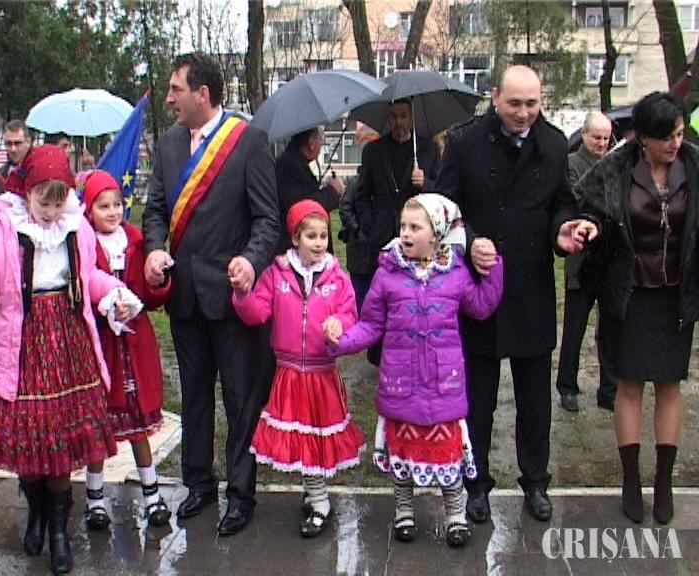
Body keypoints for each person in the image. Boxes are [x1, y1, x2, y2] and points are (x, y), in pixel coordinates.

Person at [437, 65, 597, 523]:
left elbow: (562, 202)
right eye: (515, 103)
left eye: (532, 103)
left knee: (534, 401)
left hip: (530, 287)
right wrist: (468, 241)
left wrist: (563, 229)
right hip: (479, 288)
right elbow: (442, 206)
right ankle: (475, 484)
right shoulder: (464, 142)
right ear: (495, 97)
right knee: (478, 399)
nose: (524, 113)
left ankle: (536, 481)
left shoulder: (553, 143)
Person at [0, 145, 136, 574]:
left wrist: (115, 293)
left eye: (57, 201)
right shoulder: (3, 225)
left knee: (62, 443)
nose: (50, 213)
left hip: (68, 340)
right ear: (26, 192)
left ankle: (60, 533)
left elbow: (90, 276)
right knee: (29, 441)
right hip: (22, 341)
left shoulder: (76, 225)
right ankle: (38, 511)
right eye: (42, 202)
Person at [142, 52, 279, 536]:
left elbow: (268, 219)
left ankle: (241, 495)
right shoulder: (168, 144)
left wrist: (252, 260)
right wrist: (154, 249)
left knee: (241, 399)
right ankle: (199, 484)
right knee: (195, 396)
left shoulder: (248, 141)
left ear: (203, 93)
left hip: (233, 297)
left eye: (176, 89)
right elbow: (155, 210)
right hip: (185, 296)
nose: (169, 98)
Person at [329, 194, 503, 547]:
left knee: (448, 453)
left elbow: (481, 306)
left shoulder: (455, 272)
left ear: (436, 234)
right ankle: (404, 511)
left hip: (443, 384)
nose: (405, 233)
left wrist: (495, 266)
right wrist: (339, 341)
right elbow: (371, 324)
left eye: (415, 227)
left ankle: (455, 514)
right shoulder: (387, 275)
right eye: (403, 226)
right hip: (401, 383)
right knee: (403, 453)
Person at [575, 92, 699, 525]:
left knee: (669, 384)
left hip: (675, 295)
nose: (675, 144)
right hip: (629, 292)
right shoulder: (616, 167)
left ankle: (663, 481)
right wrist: (592, 226)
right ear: (643, 137)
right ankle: (631, 480)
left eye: (680, 134)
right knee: (628, 384)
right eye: (666, 137)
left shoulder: (694, 166)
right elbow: (589, 204)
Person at [232, 199, 365, 538]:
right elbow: (258, 312)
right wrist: (243, 295)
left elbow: (350, 313)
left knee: (316, 439)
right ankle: (315, 495)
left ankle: (319, 502)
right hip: (290, 372)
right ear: (295, 238)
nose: (319, 243)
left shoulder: (338, 277)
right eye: (311, 236)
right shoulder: (276, 275)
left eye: (323, 236)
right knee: (304, 438)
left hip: (322, 374)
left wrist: (339, 324)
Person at [81, 170, 172, 530]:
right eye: (103, 206)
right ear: (89, 210)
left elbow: (149, 295)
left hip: (134, 345)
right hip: (103, 347)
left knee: (138, 426)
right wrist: (104, 308)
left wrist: (158, 282)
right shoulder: (84, 246)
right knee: (99, 428)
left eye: (117, 204)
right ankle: (94, 499)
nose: (113, 211)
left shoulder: (134, 243)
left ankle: (152, 493)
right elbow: (83, 292)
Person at [355, 98, 440, 363]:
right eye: (393, 116)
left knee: (414, 297)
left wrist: (425, 183)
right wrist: (370, 227)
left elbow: (442, 194)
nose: (398, 122)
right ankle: (382, 356)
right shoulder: (373, 151)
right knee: (384, 297)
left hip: (417, 236)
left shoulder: (428, 150)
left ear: (411, 117)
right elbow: (362, 195)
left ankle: (414, 354)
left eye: (403, 116)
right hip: (382, 236)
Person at [556, 111, 618, 412]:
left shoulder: (616, 164)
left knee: (610, 330)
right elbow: (576, 200)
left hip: (610, 258)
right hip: (581, 259)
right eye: (597, 138)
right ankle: (567, 386)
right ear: (584, 135)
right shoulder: (570, 164)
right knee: (574, 327)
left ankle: (609, 389)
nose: (602, 143)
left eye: (606, 138)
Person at [275, 127, 344, 252]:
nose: (321, 146)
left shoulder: (296, 163)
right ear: (311, 143)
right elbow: (305, 207)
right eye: (320, 140)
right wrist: (333, 191)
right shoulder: (289, 167)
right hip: (300, 250)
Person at [338, 166, 373, 311]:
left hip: (377, 247)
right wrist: (357, 230)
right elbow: (344, 209)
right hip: (358, 248)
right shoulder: (355, 183)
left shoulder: (385, 185)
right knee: (358, 291)